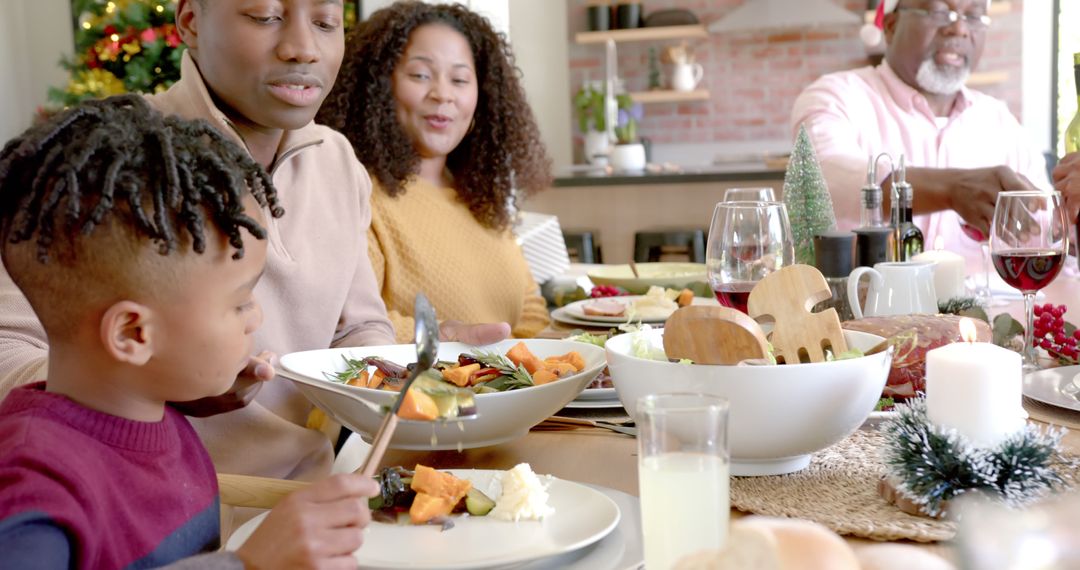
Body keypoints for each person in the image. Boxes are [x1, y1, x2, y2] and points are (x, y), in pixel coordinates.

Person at [0, 0, 507, 486]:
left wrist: (409, 371)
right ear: (191, 20)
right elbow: (8, 354)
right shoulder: (110, 161)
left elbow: (358, 327)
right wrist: (159, 376)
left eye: (327, 22)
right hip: (169, 509)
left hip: (321, 484)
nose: (302, 48)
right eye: (265, 16)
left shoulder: (336, 160)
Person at [0, 96, 379, 569]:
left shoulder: (167, 426)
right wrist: (246, 564)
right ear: (134, 334)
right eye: (240, 301)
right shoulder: (35, 485)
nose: (256, 318)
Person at [317, 1, 552, 343]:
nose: (443, 94)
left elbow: (529, 309)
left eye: (459, 79)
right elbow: (346, 320)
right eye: (420, 75)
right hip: (412, 393)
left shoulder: (483, 198)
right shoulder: (358, 192)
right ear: (380, 87)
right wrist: (446, 336)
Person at [790, 0, 1072, 272]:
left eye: (973, 16)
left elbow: (1047, 232)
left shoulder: (999, 121)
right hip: (861, 317)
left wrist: (1072, 214)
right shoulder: (836, 96)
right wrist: (952, 189)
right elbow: (825, 176)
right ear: (890, 25)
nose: (959, 29)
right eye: (939, 11)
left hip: (988, 319)